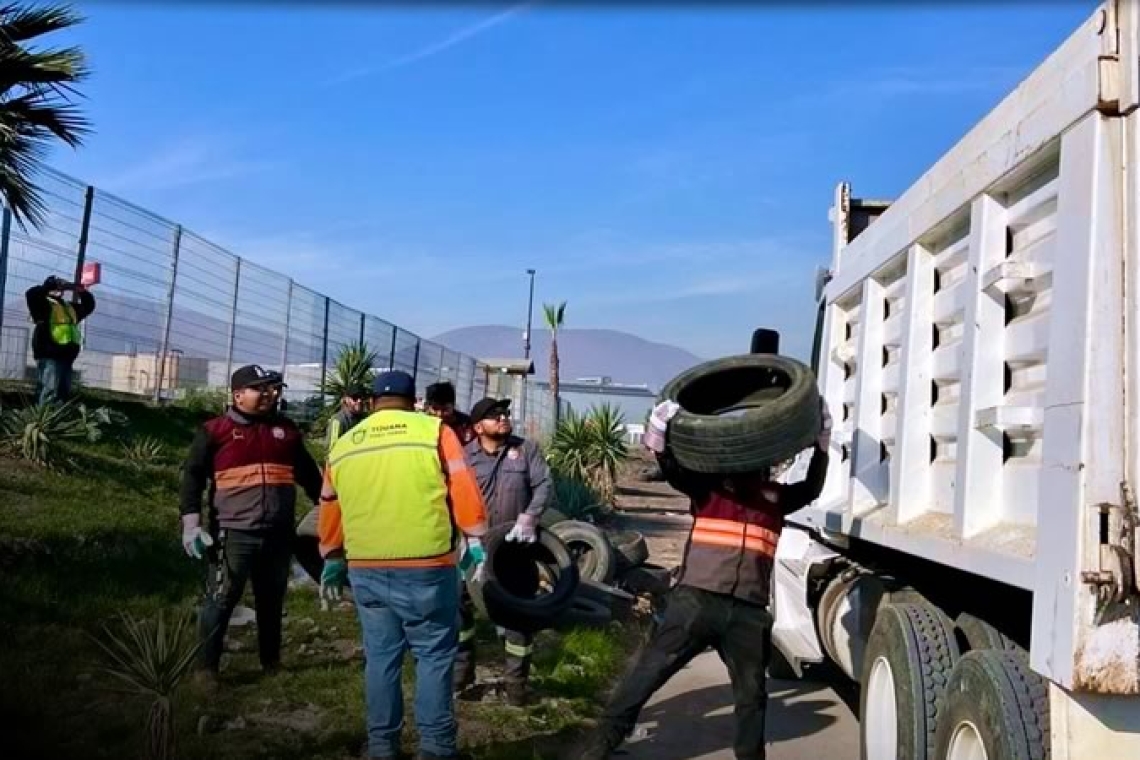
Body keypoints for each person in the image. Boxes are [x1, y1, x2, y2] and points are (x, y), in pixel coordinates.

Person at [577, 399, 832, 760]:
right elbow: (675, 472)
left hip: (748, 613)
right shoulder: (710, 489)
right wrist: (660, 435)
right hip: (696, 601)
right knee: (645, 677)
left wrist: (822, 444)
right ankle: (595, 749)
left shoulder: (775, 497)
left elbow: (812, 489)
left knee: (752, 699)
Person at [318, 370, 489, 760]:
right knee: (433, 656)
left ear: (374, 402)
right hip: (427, 565)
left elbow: (330, 504)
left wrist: (332, 556)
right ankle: (436, 748)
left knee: (381, 658)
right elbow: (462, 487)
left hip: (366, 567)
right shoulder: (434, 432)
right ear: (414, 401)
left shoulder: (345, 444)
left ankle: (382, 748)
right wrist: (475, 538)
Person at [179, 364, 323, 688]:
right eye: (260, 388)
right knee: (221, 599)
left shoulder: (286, 432)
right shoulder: (215, 431)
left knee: (271, 600)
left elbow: (310, 478)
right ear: (238, 394)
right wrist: (191, 524)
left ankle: (271, 662)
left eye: (272, 388)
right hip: (232, 534)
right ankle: (206, 669)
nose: (269, 394)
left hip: (278, 534)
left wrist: (330, 508)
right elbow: (192, 478)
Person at [455, 396, 552, 706]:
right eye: (494, 415)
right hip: (473, 549)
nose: (503, 418)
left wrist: (530, 516)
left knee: (518, 617)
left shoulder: (526, 450)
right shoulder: (464, 457)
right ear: (477, 426)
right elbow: (450, 496)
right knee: (460, 612)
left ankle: (516, 688)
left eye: (505, 413)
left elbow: (544, 486)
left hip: (516, 549)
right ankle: (460, 677)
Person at [25, 275, 96, 405]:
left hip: (67, 355)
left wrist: (80, 290)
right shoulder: (42, 304)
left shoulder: (69, 308)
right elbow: (31, 294)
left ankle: (57, 421)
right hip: (49, 353)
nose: (60, 290)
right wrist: (49, 285)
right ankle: (44, 420)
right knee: (49, 390)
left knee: (62, 392)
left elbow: (89, 306)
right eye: (57, 287)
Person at [326, 385, 369, 452]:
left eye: (362, 397)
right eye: (355, 397)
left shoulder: (367, 418)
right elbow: (331, 449)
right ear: (346, 399)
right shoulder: (338, 420)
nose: (359, 401)